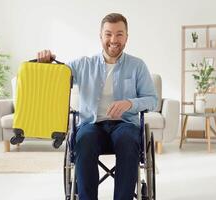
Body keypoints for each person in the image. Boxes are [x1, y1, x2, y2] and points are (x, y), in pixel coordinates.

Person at [37, 13, 157, 200]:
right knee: (84, 140)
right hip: (91, 125)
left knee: (128, 140)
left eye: (119, 34)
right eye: (108, 34)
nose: (113, 40)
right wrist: (46, 63)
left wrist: (130, 103)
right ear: (100, 36)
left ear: (126, 37)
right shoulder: (83, 65)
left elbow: (152, 100)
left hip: (124, 125)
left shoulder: (137, 66)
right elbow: (56, 77)